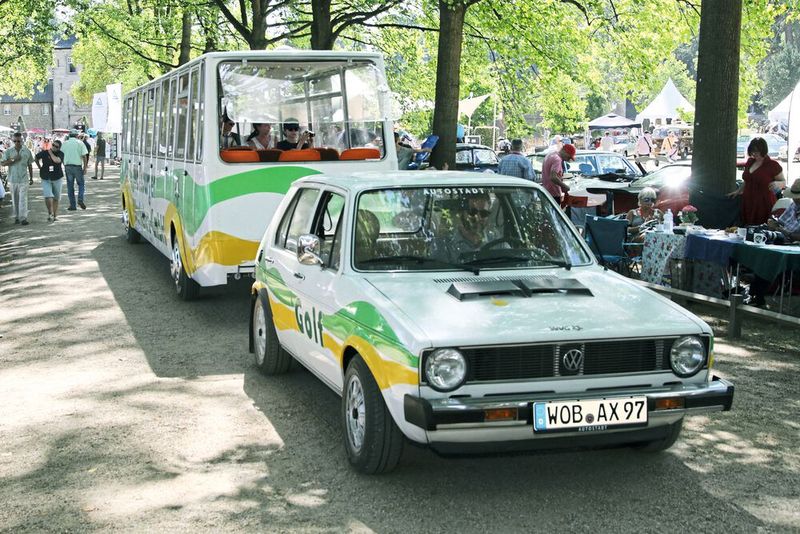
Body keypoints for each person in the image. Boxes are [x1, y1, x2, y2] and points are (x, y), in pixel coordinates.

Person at [727, 137, 785, 225]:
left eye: (757, 151)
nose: (754, 154)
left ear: (763, 150)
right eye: (752, 151)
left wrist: (777, 183)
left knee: (761, 227)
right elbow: (747, 180)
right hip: (748, 201)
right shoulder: (750, 162)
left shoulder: (773, 165)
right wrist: (738, 191)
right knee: (747, 226)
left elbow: (783, 182)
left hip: (764, 202)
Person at [437, 193, 502, 262]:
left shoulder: (495, 239)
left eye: (484, 213)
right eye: (472, 212)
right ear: (461, 213)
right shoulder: (445, 244)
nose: (478, 218)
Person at [0, 132, 34, 224]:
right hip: (13, 178)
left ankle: (23, 218)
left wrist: (31, 178)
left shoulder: (27, 151)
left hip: (24, 178)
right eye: (15, 141)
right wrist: (13, 159)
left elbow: (30, 164)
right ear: (12, 141)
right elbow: (2, 163)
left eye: (18, 141)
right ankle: (16, 217)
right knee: (15, 199)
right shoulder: (8, 151)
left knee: (23, 199)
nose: (17, 143)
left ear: (22, 141)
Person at [35, 139, 64, 221]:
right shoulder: (44, 152)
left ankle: (55, 215)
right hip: (45, 177)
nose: (54, 147)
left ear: (59, 148)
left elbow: (57, 160)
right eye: (53, 145)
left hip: (57, 177)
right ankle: (50, 213)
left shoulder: (61, 154)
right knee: (48, 196)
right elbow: (36, 157)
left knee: (56, 198)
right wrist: (39, 167)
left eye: (56, 146)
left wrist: (50, 153)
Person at [61, 129, 89, 210]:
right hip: (77, 166)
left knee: (70, 186)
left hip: (68, 166)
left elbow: (61, 155)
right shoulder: (80, 143)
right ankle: (80, 199)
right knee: (81, 184)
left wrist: (64, 164)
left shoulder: (65, 143)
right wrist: (85, 167)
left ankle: (72, 205)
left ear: (69, 135)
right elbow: (84, 156)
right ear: (77, 135)